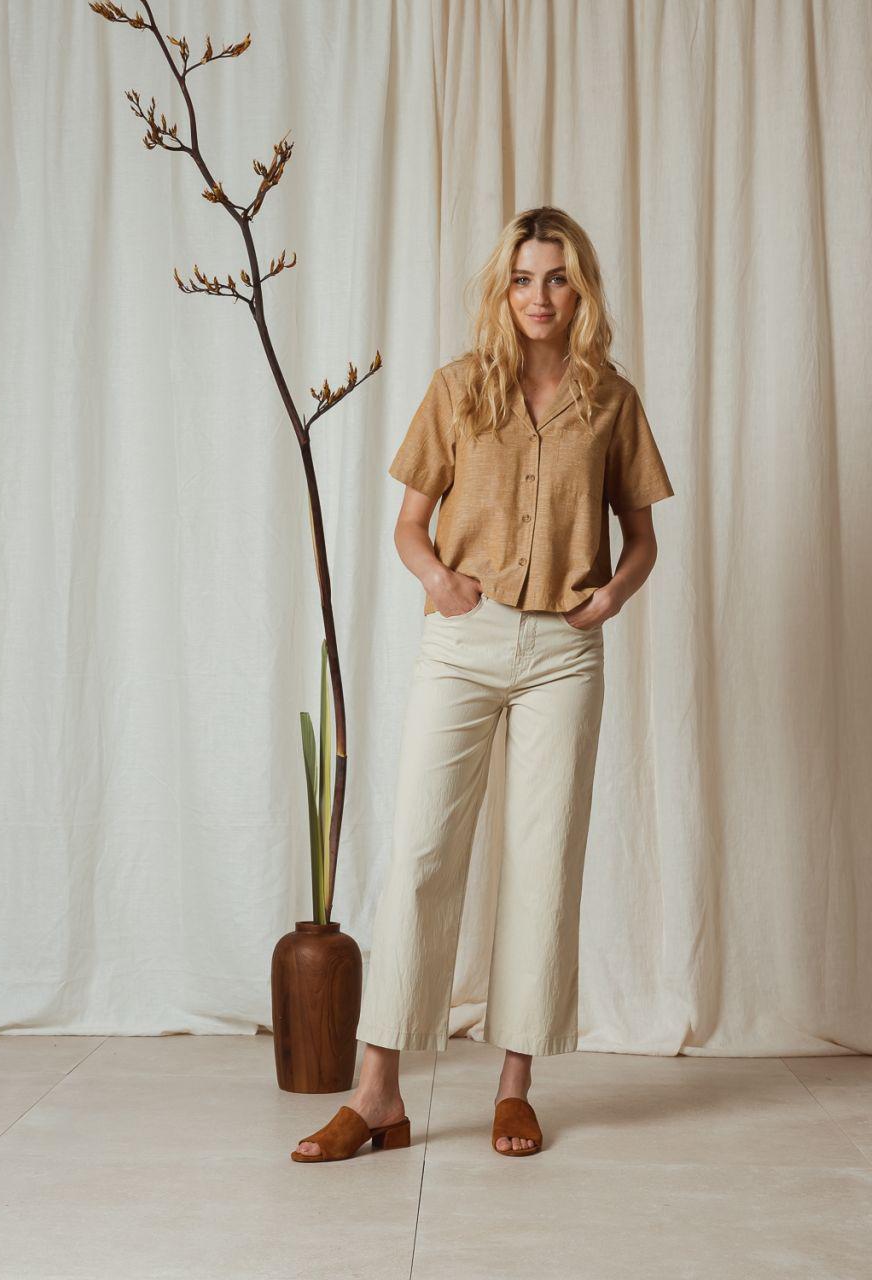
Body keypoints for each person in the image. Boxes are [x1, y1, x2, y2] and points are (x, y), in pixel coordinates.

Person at [291, 206, 675, 1163]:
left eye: (558, 277)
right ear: (502, 288)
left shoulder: (613, 400)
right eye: (524, 277)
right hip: (463, 641)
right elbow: (408, 524)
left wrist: (611, 598)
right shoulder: (459, 388)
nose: (539, 296)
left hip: (564, 655)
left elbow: (642, 538)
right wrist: (439, 581)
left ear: (581, 290)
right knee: (422, 853)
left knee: (543, 865)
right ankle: (377, 1094)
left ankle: (515, 1088)